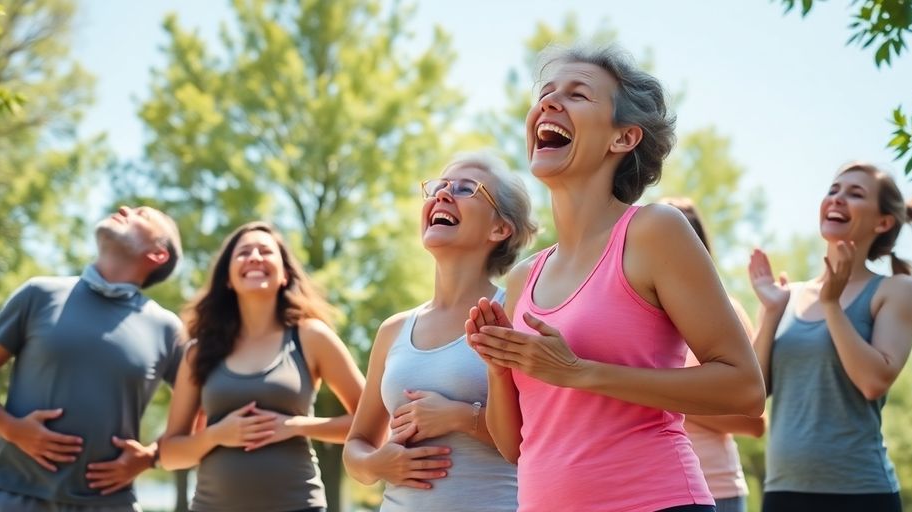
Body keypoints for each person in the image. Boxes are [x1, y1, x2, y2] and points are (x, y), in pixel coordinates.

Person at [466, 43, 765, 512]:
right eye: (545, 93)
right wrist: (498, 365)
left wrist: (580, 372)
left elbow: (745, 389)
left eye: (577, 94)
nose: (550, 102)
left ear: (623, 138)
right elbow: (514, 446)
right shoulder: (524, 278)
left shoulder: (654, 231)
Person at [0, 205, 184, 512]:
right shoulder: (38, 294)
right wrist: (11, 428)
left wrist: (152, 456)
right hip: (13, 497)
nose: (125, 208)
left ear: (158, 254)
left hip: (110, 505)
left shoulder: (167, 329)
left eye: (142, 215)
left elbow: (203, 410)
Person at [344, 152, 536, 511]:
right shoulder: (393, 330)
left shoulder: (517, 310)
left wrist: (460, 416)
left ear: (499, 229)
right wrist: (376, 464)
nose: (443, 194)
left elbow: (544, 432)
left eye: (466, 188)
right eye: (439, 187)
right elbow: (357, 444)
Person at [749, 162, 912, 512]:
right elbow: (752, 394)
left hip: (861, 493)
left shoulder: (896, 289)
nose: (837, 199)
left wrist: (831, 304)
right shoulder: (786, 295)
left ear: (883, 222)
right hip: (783, 491)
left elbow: (874, 382)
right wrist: (771, 312)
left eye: (855, 194)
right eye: (833, 190)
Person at [159, 221, 364, 512]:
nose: (254, 257)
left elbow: (373, 424)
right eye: (243, 253)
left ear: (285, 274)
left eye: (265, 251)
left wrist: (295, 426)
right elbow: (170, 454)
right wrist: (217, 434)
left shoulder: (311, 337)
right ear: (228, 278)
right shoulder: (198, 352)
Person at [662, 197, 766, 512]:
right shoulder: (634, 315)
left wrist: (658, 394)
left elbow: (754, 422)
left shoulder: (725, 312)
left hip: (718, 490)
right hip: (651, 491)